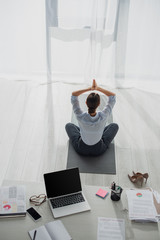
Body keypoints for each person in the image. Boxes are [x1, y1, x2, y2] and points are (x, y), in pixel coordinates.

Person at [65, 79, 119, 156]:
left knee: (69, 125)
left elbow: (74, 95)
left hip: (81, 149)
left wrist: (90, 88)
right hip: (99, 150)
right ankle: (94, 132)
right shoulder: (104, 115)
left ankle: (86, 132)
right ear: (99, 104)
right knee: (114, 126)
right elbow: (112, 96)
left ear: (86, 102)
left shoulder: (80, 115)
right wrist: (97, 88)